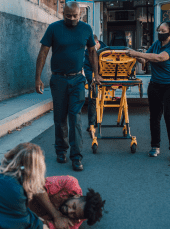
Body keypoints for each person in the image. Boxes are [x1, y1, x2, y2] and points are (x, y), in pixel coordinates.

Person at [35, 1, 103, 172]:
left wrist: (96, 74)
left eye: (75, 16)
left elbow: (92, 52)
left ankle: (76, 157)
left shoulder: (86, 29)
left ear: (80, 14)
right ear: (63, 14)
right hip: (58, 80)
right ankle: (61, 150)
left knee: (75, 118)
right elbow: (43, 52)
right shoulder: (54, 28)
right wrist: (38, 78)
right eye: (68, 16)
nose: (72, 19)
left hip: (77, 80)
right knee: (59, 118)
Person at [126, 21, 170, 162]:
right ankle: (155, 146)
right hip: (155, 85)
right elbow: (144, 60)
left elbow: (160, 57)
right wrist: (132, 55)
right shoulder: (156, 45)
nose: (160, 32)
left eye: (163, 30)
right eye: (159, 29)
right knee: (154, 116)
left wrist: (138, 53)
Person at [13, 175, 105, 229]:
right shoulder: (70, 182)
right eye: (73, 206)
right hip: (16, 197)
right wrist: (56, 215)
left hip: (21, 217)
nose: (69, 211)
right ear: (77, 196)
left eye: (73, 214)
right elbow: (38, 187)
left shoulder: (74, 225)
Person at [83, 34, 107, 132]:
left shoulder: (107, 51)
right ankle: (91, 124)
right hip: (93, 80)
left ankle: (98, 121)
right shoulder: (87, 52)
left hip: (104, 79)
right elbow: (87, 67)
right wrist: (91, 80)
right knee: (92, 101)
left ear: (97, 42)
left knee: (103, 101)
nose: (90, 49)